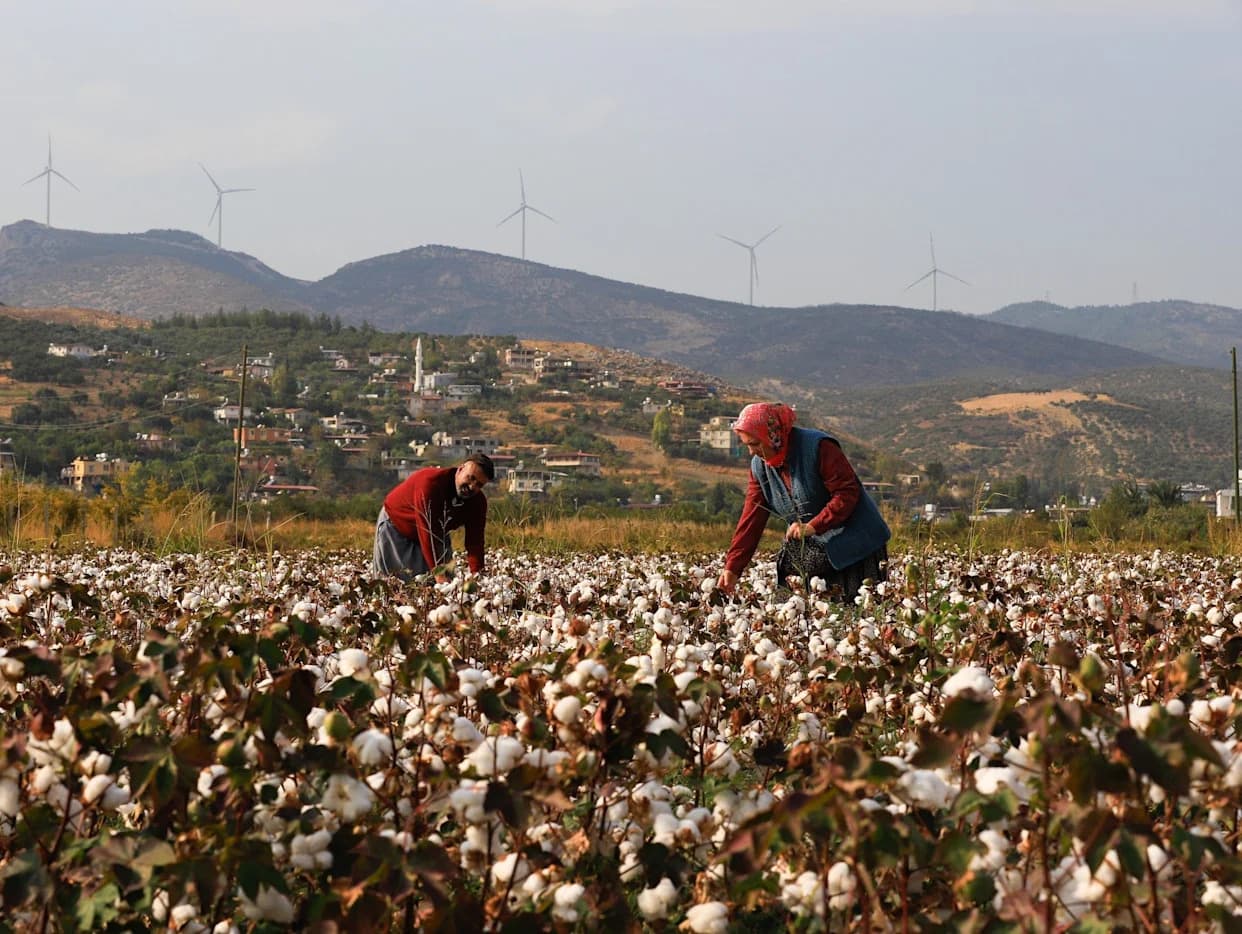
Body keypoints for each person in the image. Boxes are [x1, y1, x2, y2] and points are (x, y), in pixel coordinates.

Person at [716, 402, 889, 601]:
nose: (751, 452)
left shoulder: (818, 447)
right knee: (790, 572)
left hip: (858, 543)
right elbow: (751, 519)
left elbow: (846, 493)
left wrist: (814, 526)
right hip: (819, 544)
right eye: (747, 445)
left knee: (856, 613)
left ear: (773, 435)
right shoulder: (760, 467)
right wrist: (733, 568)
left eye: (755, 444)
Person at [373, 453, 495, 580]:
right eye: (471, 478)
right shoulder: (431, 484)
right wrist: (439, 574)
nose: (471, 487)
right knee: (396, 582)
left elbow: (475, 542)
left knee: (443, 585)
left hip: (436, 533)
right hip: (397, 526)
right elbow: (427, 531)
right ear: (460, 469)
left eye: (479, 485)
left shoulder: (478, 502)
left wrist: (477, 575)